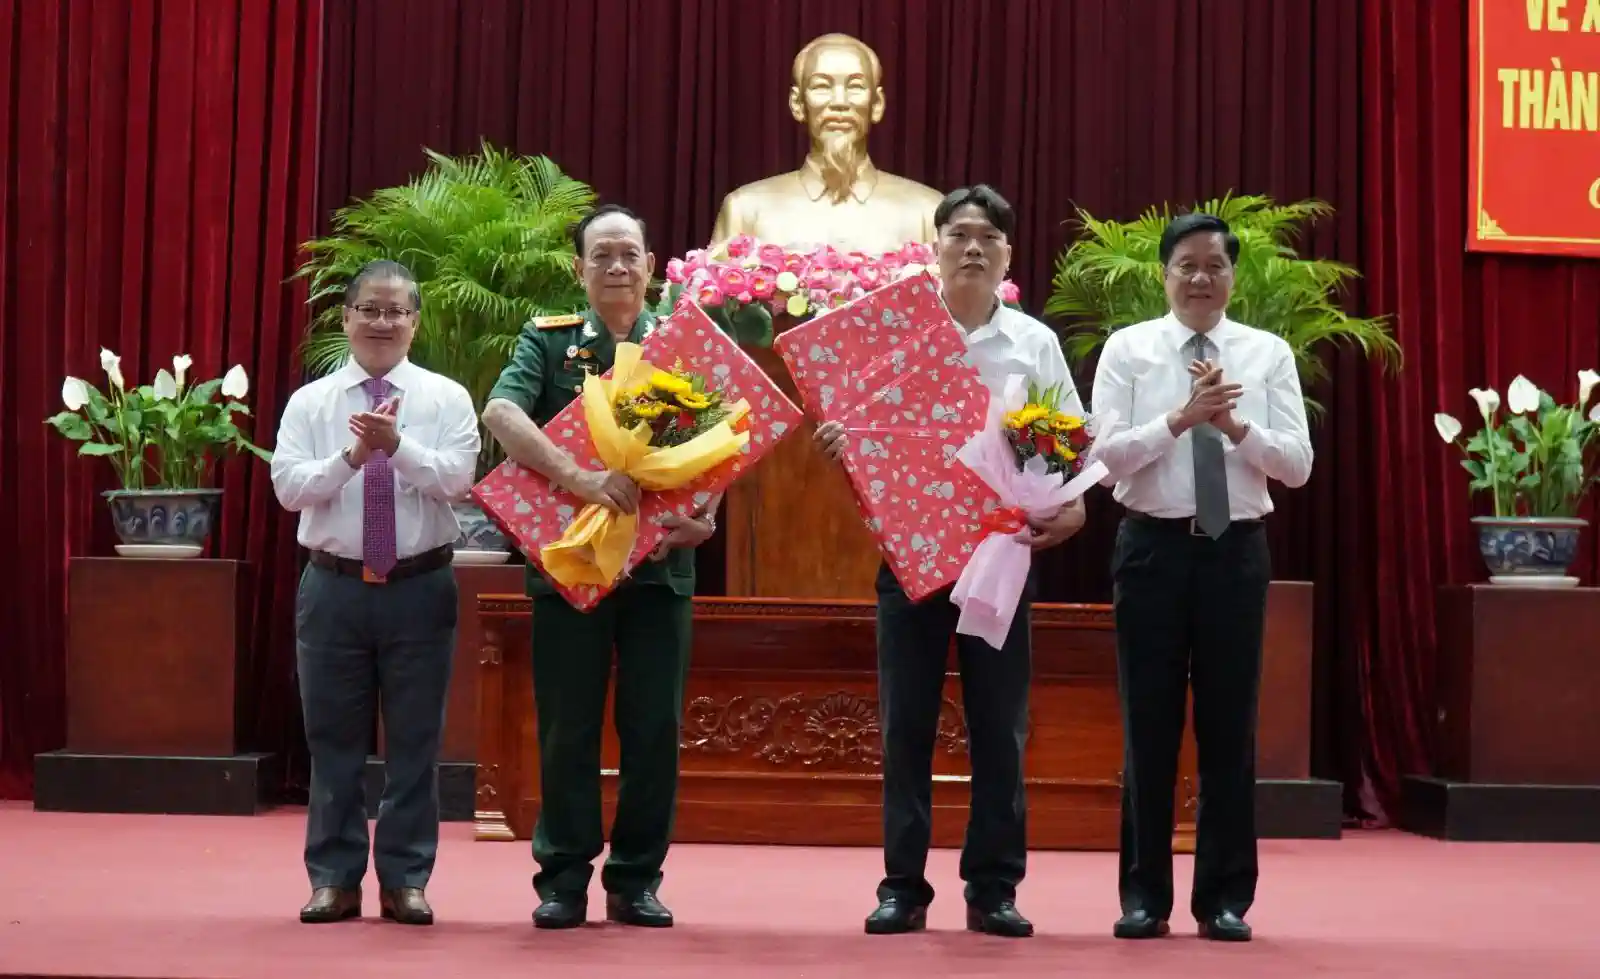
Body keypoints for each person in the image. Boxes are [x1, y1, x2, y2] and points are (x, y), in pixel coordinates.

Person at [815, 185, 1086, 938]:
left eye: (988, 236)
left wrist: (1064, 503)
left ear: (1007, 255)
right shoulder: (897, 335)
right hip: (910, 555)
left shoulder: (1034, 344)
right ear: (933, 248)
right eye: (958, 234)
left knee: (1000, 726)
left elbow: (1066, 440)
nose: (972, 246)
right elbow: (861, 436)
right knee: (907, 726)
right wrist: (846, 446)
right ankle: (903, 885)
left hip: (997, 554)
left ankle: (993, 886)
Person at [481, 204, 716, 930]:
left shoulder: (685, 347)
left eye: (630, 254)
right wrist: (580, 478)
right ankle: (563, 878)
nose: (617, 267)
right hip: (571, 563)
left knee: (653, 730)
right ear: (579, 269)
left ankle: (636, 878)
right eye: (602, 255)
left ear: (652, 267)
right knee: (567, 727)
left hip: (659, 571)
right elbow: (500, 415)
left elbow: (724, 444)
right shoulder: (548, 344)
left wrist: (705, 518)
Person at [1090, 213, 1313, 943]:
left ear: (1232, 275)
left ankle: (1224, 899)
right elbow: (1106, 458)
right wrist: (1183, 419)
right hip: (1152, 550)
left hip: (1234, 552)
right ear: (1163, 273)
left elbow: (1298, 465)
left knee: (1228, 727)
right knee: (1147, 729)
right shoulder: (1129, 351)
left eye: (1214, 265)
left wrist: (1236, 428)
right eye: (1186, 264)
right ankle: (1143, 896)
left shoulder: (1267, 352)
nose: (1199, 278)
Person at [270, 259, 480, 926]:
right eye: (371, 309)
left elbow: (457, 479)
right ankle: (333, 878)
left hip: (420, 586)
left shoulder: (446, 399)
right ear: (347, 317)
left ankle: (406, 879)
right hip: (333, 590)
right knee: (331, 741)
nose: (383, 322)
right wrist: (355, 458)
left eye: (397, 311)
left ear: (416, 322)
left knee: (416, 742)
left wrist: (399, 445)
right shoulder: (312, 403)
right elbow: (289, 487)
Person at [710, 32, 943, 252]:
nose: (840, 102)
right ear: (798, 104)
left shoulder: (927, 211)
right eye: (821, 86)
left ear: (877, 104)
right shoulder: (746, 210)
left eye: (855, 87)